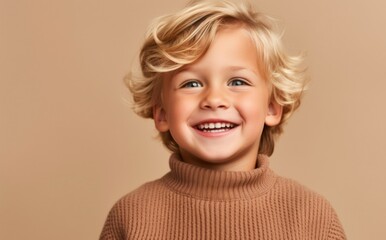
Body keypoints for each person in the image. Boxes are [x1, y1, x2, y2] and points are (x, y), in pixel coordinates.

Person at [100, 0, 346, 239]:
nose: (214, 99)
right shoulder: (131, 216)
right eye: (191, 83)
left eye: (237, 82)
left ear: (272, 107)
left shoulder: (311, 216)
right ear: (162, 114)